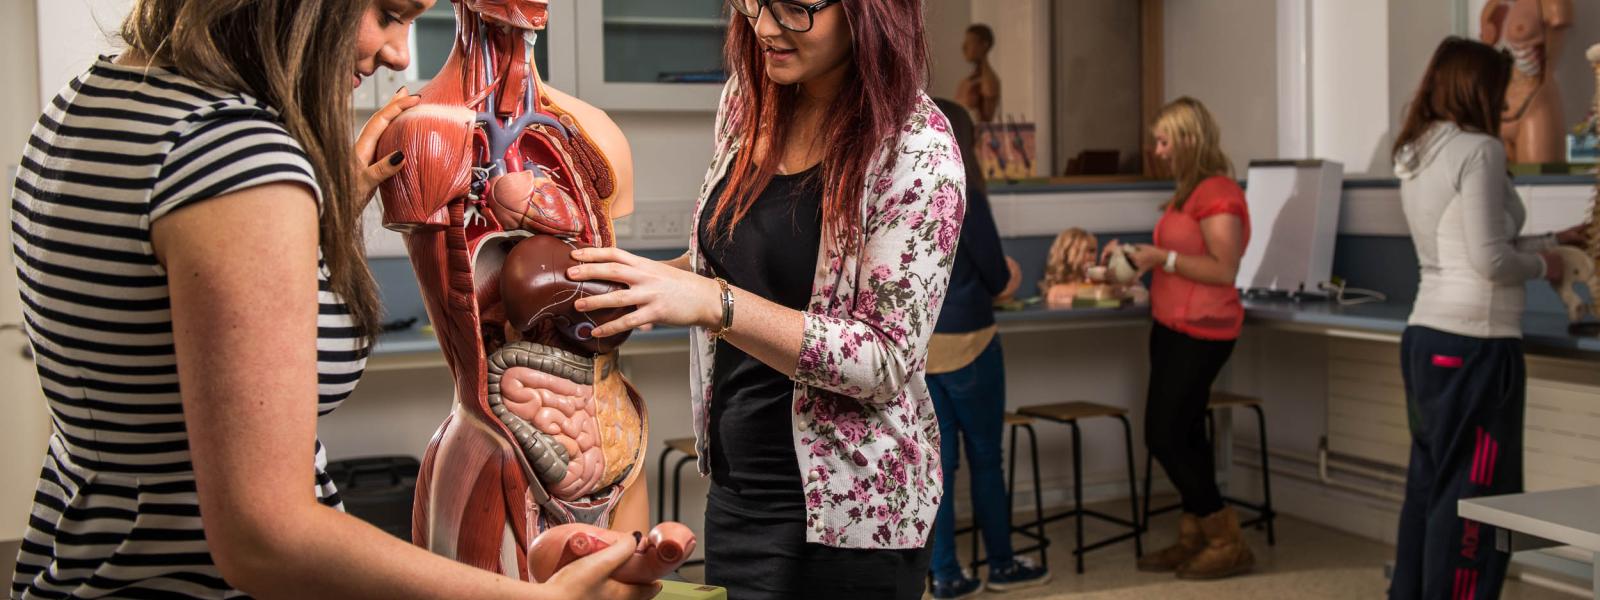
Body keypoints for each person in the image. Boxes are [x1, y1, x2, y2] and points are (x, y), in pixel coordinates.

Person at [7, 1, 653, 598]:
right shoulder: (236, 159)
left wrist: (322, 208)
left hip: (84, 566)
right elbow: (266, 538)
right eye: (388, 13)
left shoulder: (87, 103)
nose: (401, 53)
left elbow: (147, 375)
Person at [565, 0, 965, 597]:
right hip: (738, 489)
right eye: (752, 2)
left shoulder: (917, 152)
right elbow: (726, 266)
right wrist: (648, 282)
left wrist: (712, 302)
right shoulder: (747, 102)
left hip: (848, 516)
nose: (766, 27)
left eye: (796, 8)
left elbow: (882, 360)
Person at [1387, 36, 1586, 600]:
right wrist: (1548, 262)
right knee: (1479, 497)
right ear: (1479, 86)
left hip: (1426, 337)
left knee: (1428, 486)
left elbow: (1466, 243)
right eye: (1501, 88)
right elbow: (1490, 259)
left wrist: (1553, 237)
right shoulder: (1479, 149)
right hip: (1476, 344)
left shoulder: (1418, 148)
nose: (1507, 101)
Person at [1103, 96, 1253, 580]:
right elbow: (1176, 261)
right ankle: (1197, 536)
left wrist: (1159, 259)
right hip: (1170, 325)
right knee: (1186, 432)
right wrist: (1131, 260)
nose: (1158, 149)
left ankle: (1225, 537)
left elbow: (1222, 268)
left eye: (1165, 140)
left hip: (1204, 331)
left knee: (1163, 434)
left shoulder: (1218, 191)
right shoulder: (1185, 194)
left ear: (1190, 140)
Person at [922, 98, 1042, 599]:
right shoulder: (964, 191)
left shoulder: (909, 189)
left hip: (924, 350)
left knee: (939, 467)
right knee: (986, 459)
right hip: (972, 343)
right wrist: (1010, 275)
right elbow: (995, 276)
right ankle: (1002, 564)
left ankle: (946, 573)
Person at [956, 24, 1000, 123]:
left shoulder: (988, 81)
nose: (964, 47)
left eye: (970, 42)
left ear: (984, 45)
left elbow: (986, 118)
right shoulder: (970, 79)